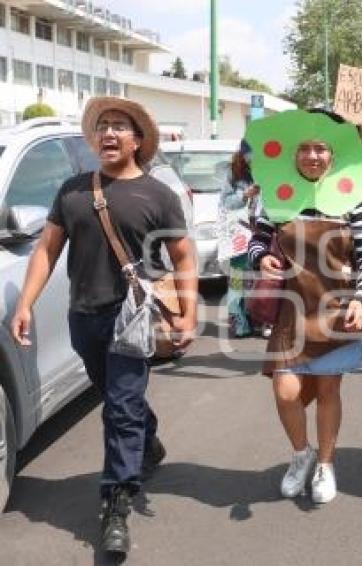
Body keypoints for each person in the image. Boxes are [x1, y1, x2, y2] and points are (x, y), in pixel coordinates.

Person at [9, 96, 197, 555]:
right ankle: (147, 441)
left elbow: (183, 256)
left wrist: (189, 313)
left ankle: (116, 500)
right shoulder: (73, 190)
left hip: (130, 318)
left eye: (119, 127)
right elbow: (47, 250)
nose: (109, 133)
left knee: (119, 408)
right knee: (118, 399)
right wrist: (25, 304)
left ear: (136, 141)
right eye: (103, 127)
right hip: (84, 317)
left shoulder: (158, 195)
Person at [246, 108, 362, 505]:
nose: (312, 156)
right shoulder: (278, 195)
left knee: (328, 388)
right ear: (293, 155)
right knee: (285, 391)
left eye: (320, 148)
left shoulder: (352, 197)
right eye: (304, 149)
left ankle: (325, 463)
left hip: (336, 306)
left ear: (333, 155)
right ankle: (301, 453)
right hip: (291, 309)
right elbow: (256, 240)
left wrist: (360, 297)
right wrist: (260, 258)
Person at [220, 141, 261, 337]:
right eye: (250, 155)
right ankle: (237, 319)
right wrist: (245, 194)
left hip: (264, 230)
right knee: (237, 278)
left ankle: (259, 317)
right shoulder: (234, 173)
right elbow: (226, 202)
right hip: (240, 232)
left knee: (260, 278)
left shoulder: (272, 169)